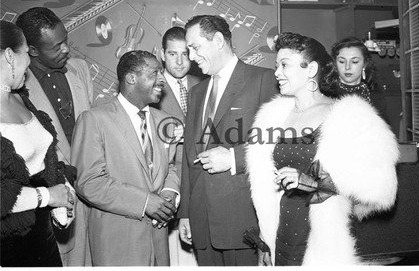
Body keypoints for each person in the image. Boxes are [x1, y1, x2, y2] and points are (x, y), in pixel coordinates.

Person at [246, 32, 399, 265]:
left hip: (323, 237)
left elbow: (377, 190)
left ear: (311, 69)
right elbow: (265, 186)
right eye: (277, 65)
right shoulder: (272, 117)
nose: (276, 72)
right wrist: (265, 238)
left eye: (284, 65)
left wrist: (311, 182)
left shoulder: (346, 116)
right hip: (281, 231)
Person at [178, 14, 278, 266]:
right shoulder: (197, 92)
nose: (191, 57)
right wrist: (186, 214)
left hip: (242, 219)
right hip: (202, 222)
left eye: (195, 47)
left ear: (219, 40)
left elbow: (279, 143)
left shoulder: (263, 80)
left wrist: (233, 158)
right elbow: (190, 157)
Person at [71, 50, 179, 266]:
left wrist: (169, 193)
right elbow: (88, 182)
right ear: (131, 78)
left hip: (158, 242)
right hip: (117, 243)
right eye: (154, 73)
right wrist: (145, 202)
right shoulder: (94, 119)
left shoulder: (164, 120)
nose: (162, 80)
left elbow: (170, 167)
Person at [16, 6, 93, 265]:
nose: (66, 50)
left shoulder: (80, 69)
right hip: (55, 203)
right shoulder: (16, 91)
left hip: (92, 190)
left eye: (66, 41)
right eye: (57, 46)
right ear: (33, 51)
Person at [1, 21, 76, 266]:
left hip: (42, 239)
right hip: (8, 247)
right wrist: (48, 196)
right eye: (25, 53)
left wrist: (61, 195)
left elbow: (41, 161)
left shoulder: (21, 97)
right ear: (11, 56)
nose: (30, 62)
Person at [156, 26, 201, 266]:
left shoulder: (204, 85)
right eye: (173, 54)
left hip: (199, 179)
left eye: (185, 53)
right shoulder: (150, 87)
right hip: (167, 181)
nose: (180, 61)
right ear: (162, 54)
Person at [331, 36, 387, 119]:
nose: (347, 67)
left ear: (364, 64)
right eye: (342, 61)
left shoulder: (375, 96)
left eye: (354, 61)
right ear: (335, 63)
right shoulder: (326, 94)